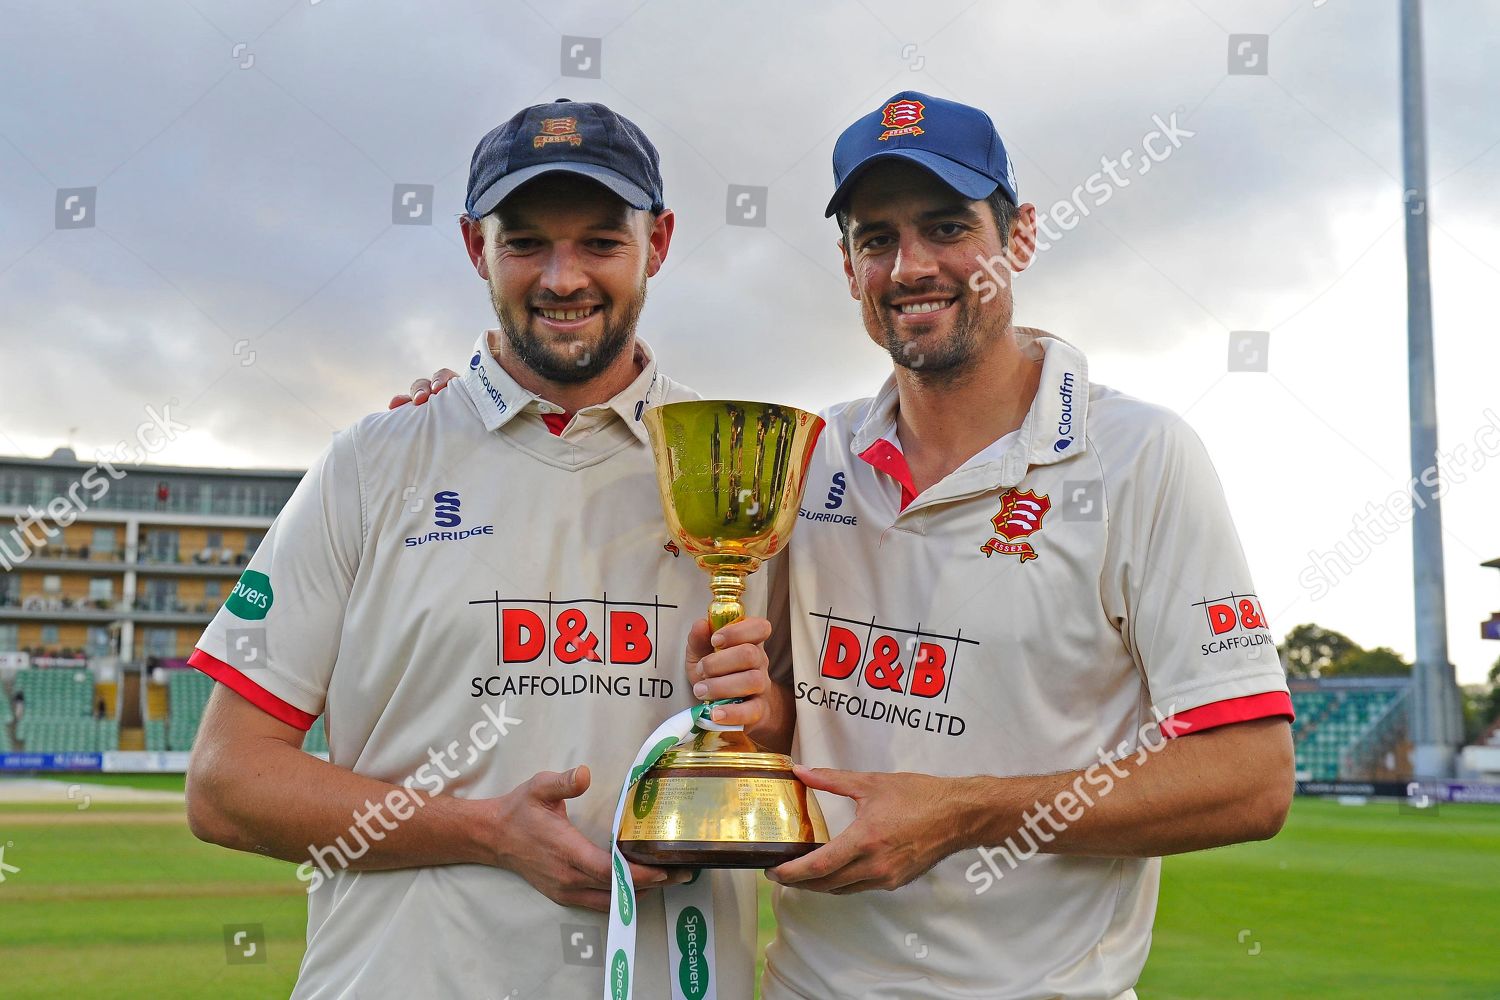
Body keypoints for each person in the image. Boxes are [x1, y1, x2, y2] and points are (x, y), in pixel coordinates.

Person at [398, 92, 1296, 1000]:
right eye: (876, 239)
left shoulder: (1140, 456)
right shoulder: (810, 459)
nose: (910, 266)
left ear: (1018, 237)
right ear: (847, 263)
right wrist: (462, 414)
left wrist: (962, 815)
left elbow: (1250, 780)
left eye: (946, 227)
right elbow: (786, 716)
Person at [185, 99, 768, 999]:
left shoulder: (738, 468)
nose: (563, 278)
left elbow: (809, 746)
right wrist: (488, 830)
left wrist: (760, 719)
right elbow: (225, 783)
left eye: (602, 242)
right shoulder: (372, 464)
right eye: (526, 242)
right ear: (474, 247)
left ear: (659, 243)